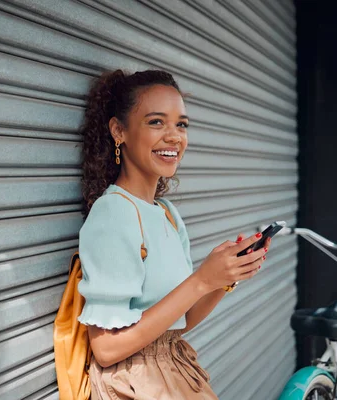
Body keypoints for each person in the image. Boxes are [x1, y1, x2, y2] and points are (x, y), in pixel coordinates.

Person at [77, 69, 270, 400]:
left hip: (172, 369)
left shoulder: (167, 214)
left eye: (181, 124)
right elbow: (106, 349)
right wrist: (199, 281)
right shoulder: (114, 213)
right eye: (156, 122)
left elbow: (179, 323)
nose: (174, 136)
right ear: (119, 130)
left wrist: (222, 279)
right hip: (134, 385)